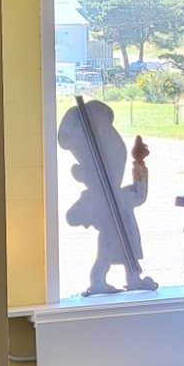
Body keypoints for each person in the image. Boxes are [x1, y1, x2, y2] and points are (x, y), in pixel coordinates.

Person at [57, 100, 157, 295]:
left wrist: (139, 165)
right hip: (110, 236)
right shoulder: (96, 196)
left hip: (126, 232)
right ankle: (98, 281)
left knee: (130, 259)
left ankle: (133, 279)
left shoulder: (117, 195)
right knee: (104, 258)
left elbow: (139, 196)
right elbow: (72, 216)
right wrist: (85, 212)